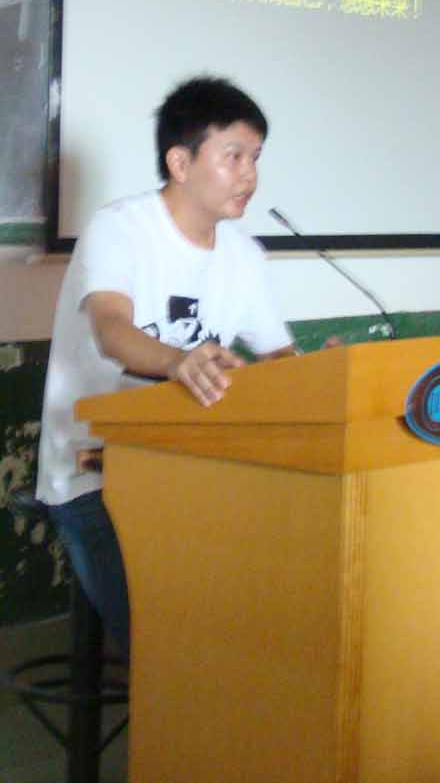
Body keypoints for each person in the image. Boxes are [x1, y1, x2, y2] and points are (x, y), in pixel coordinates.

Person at [36, 76, 297, 658]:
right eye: (233, 156)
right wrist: (178, 361)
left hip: (193, 467)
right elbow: (112, 331)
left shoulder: (245, 257)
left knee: (254, 611)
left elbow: (281, 359)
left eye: (256, 157)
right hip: (94, 472)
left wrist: (322, 369)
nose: (250, 175)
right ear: (180, 163)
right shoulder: (120, 228)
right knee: (167, 646)